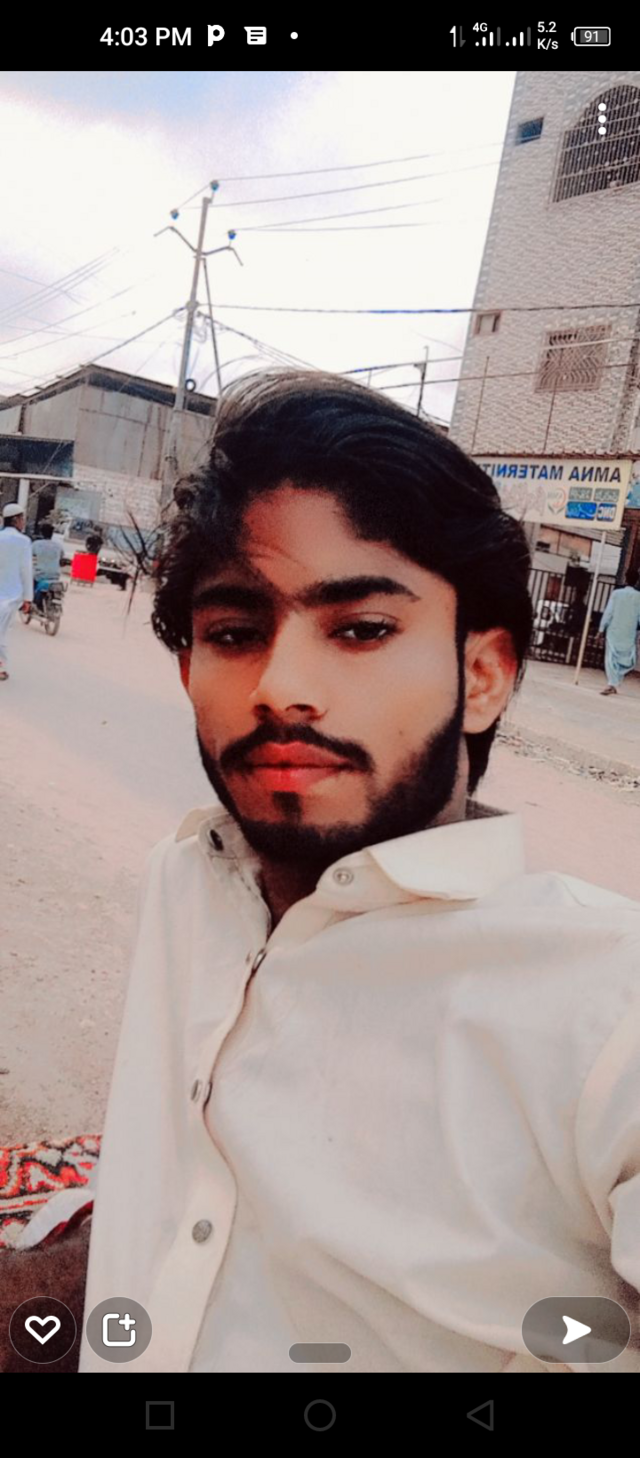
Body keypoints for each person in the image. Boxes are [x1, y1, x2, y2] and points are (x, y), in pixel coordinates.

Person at [16, 372, 640, 1375]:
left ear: (482, 675)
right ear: (187, 671)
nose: (280, 689)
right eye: (234, 634)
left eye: (360, 629)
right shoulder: (191, 885)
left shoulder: (607, 1009)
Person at [0, 502, 33, 680]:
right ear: (15, 520)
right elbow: (25, 570)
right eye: (22, 518)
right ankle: (1, 667)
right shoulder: (24, 541)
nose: (23, 522)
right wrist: (28, 598)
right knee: (3, 631)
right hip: (11, 595)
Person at [598, 571, 640, 695]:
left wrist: (601, 629)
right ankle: (614, 682)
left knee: (611, 657)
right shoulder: (638, 597)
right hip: (629, 631)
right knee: (626, 658)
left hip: (614, 629)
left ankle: (613, 683)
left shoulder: (616, 594)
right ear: (637, 581)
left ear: (625, 580)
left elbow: (609, 612)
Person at [31, 520, 63, 610]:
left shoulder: (36, 544)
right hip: (55, 576)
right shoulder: (58, 546)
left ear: (41, 533)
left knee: (29, 585)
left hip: (40, 575)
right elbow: (62, 558)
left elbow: (28, 556)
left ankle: (32, 603)